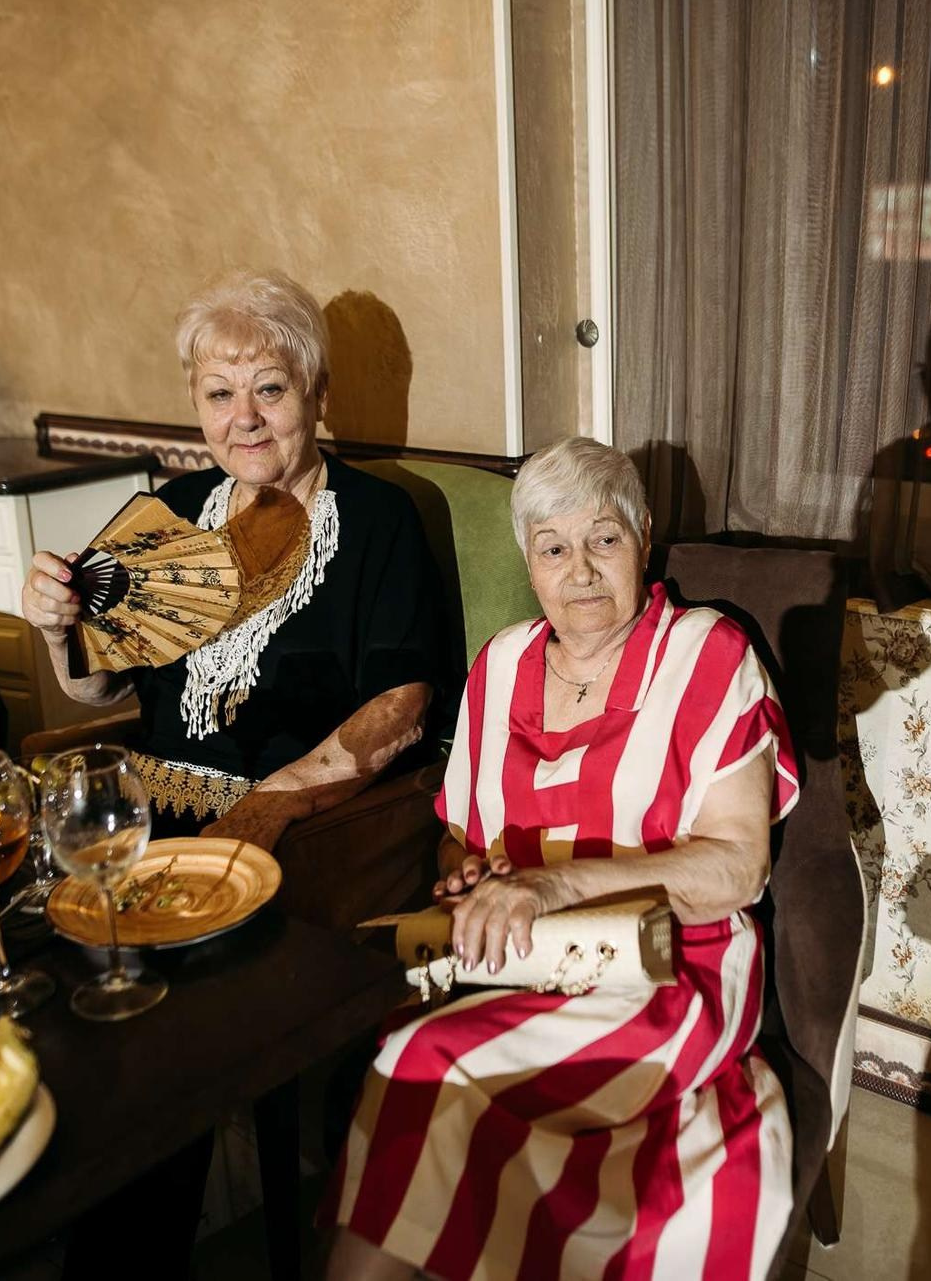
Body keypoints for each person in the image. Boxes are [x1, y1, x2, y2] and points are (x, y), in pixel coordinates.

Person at [324, 437, 798, 1280]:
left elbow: (738, 867)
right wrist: (472, 872)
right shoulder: (499, 665)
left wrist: (556, 883)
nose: (578, 569)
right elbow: (461, 834)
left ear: (643, 537)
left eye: (603, 539)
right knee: (391, 1040)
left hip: (670, 964)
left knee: (422, 1065)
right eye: (552, 547)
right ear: (529, 563)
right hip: (520, 957)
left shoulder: (709, 654)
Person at [19, 269, 451, 848]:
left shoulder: (379, 518)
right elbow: (101, 689)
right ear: (197, 402)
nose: (244, 417)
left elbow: (402, 708)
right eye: (220, 393)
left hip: (296, 827)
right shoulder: (169, 511)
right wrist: (57, 627)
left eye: (270, 389)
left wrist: (266, 811)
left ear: (319, 394)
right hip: (143, 817)